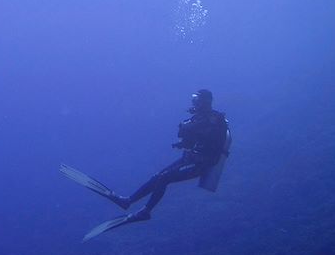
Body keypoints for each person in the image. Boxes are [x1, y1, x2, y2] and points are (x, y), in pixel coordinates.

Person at [61, 89, 231, 241]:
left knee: (164, 178)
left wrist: (188, 130)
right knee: (157, 177)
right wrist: (184, 139)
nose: (194, 103)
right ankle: (128, 201)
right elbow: (190, 140)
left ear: (205, 102)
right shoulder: (200, 118)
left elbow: (206, 137)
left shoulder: (213, 119)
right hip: (192, 158)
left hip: (203, 164)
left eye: (196, 100)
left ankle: (145, 211)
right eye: (193, 99)